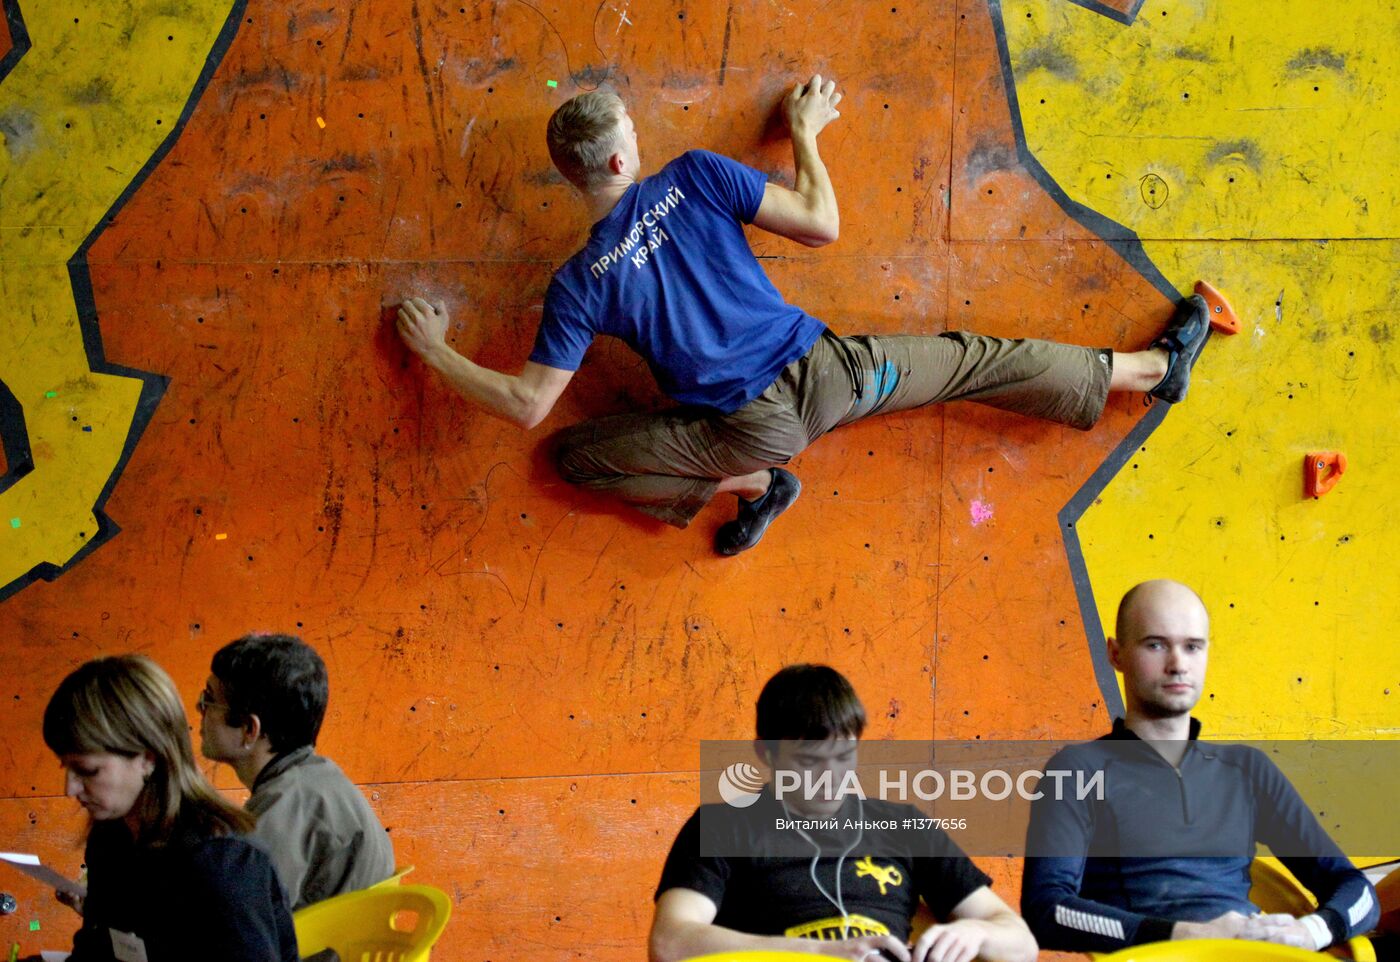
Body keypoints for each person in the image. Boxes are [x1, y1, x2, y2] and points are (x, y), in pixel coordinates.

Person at [396, 76, 1219, 556]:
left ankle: (755, 486)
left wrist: (435, 351)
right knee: (972, 361)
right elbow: (822, 224)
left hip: (754, 432)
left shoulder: (579, 283)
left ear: (576, 175)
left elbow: (528, 405)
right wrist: (803, 132)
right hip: (838, 376)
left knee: (575, 455)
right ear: (621, 159)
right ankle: (1148, 371)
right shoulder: (692, 177)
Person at [1020, 579, 1380, 953]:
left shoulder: (1247, 769)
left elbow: (1356, 889)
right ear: (1116, 654)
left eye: (1192, 646)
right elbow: (1046, 910)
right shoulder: (1075, 770)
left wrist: (1309, 933)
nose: (1178, 664)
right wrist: (1187, 934)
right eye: (1156, 645)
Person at [649, 664, 1037, 962]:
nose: (830, 777)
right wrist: (821, 953)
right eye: (808, 762)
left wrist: (975, 933)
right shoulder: (722, 825)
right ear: (765, 753)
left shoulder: (903, 825)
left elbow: (1021, 944)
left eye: (844, 757)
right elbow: (671, 942)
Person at [40, 655, 297, 962]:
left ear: (148, 758)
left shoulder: (222, 865)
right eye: (66, 768)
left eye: (87, 770)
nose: (70, 789)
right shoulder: (111, 839)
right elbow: (97, 952)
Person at [198, 633, 395, 909]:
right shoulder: (319, 780)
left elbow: (235, 917)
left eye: (208, 699)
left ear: (249, 730)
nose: (199, 709)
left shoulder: (285, 808)